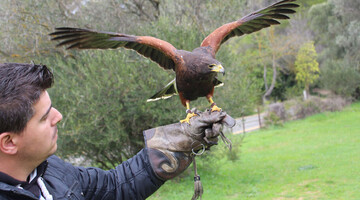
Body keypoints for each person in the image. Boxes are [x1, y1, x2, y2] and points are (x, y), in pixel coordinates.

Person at [0, 63, 235, 200]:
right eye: (44, 117)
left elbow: (114, 186)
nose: (58, 116)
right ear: (9, 142)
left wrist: (182, 140)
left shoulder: (52, 171)